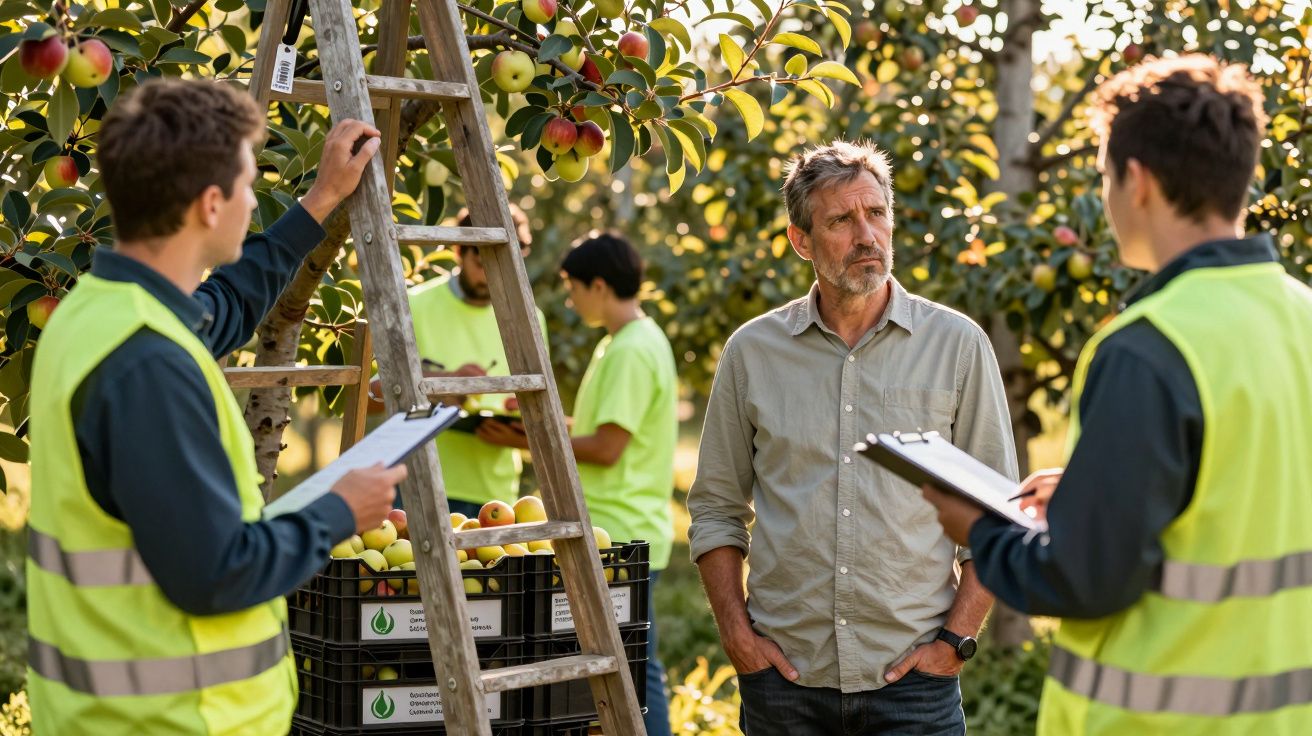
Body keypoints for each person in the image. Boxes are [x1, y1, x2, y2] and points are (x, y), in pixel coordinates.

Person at [921, 55, 1312, 735]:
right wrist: (1094, 488)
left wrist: (978, 530)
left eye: (1104, 175)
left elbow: (1085, 578)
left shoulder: (1147, 347)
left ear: (1136, 180)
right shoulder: (1302, 317)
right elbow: (1253, 484)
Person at [26, 79, 404, 734]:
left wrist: (320, 201)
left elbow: (222, 308)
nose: (253, 198)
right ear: (209, 205)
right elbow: (215, 573)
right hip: (172, 723)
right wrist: (340, 510)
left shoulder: (100, 309)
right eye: (250, 184)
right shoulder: (147, 365)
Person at [687, 140, 1018, 735]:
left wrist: (956, 642)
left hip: (915, 686)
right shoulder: (752, 353)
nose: (867, 235)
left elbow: (997, 510)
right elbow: (715, 506)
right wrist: (738, 637)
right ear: (802, 241)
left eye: (877, 213)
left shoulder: (958, 346)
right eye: (842, 219)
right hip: (785, 682)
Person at [478, 233, 678, 736]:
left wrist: (527, 443)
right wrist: (532, 424)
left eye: (574, 288)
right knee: (623, 661)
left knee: (633, 668)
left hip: (621, 530)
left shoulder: (631, 350)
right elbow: (596, 432)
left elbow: (607, 448)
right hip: (621, 526)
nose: (570, 300)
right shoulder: (627, 342)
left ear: (600, 284)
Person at [372, 207, 546, 520]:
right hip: (415, 487)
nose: (491, 277)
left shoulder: (529, 318)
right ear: (458, 251)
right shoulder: (413, 306)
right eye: (481, 264)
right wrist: (444, 384)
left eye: (503, 266)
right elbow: (369, 397)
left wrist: (518, 412)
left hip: (495, 495)